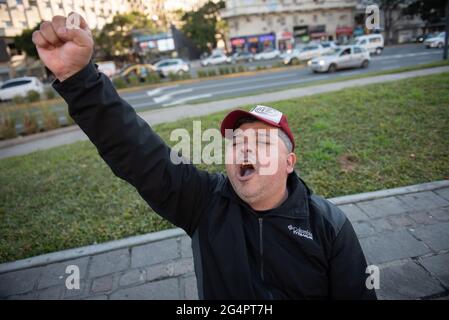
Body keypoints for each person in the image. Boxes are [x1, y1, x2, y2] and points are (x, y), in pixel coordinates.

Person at [32, 13, 377, 300]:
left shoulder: (329, 227)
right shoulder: (205, 203)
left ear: (290, 163)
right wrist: (79, 79)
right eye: (238, 141)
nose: (245, 148)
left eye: (263, 143)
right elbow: (137, 152)